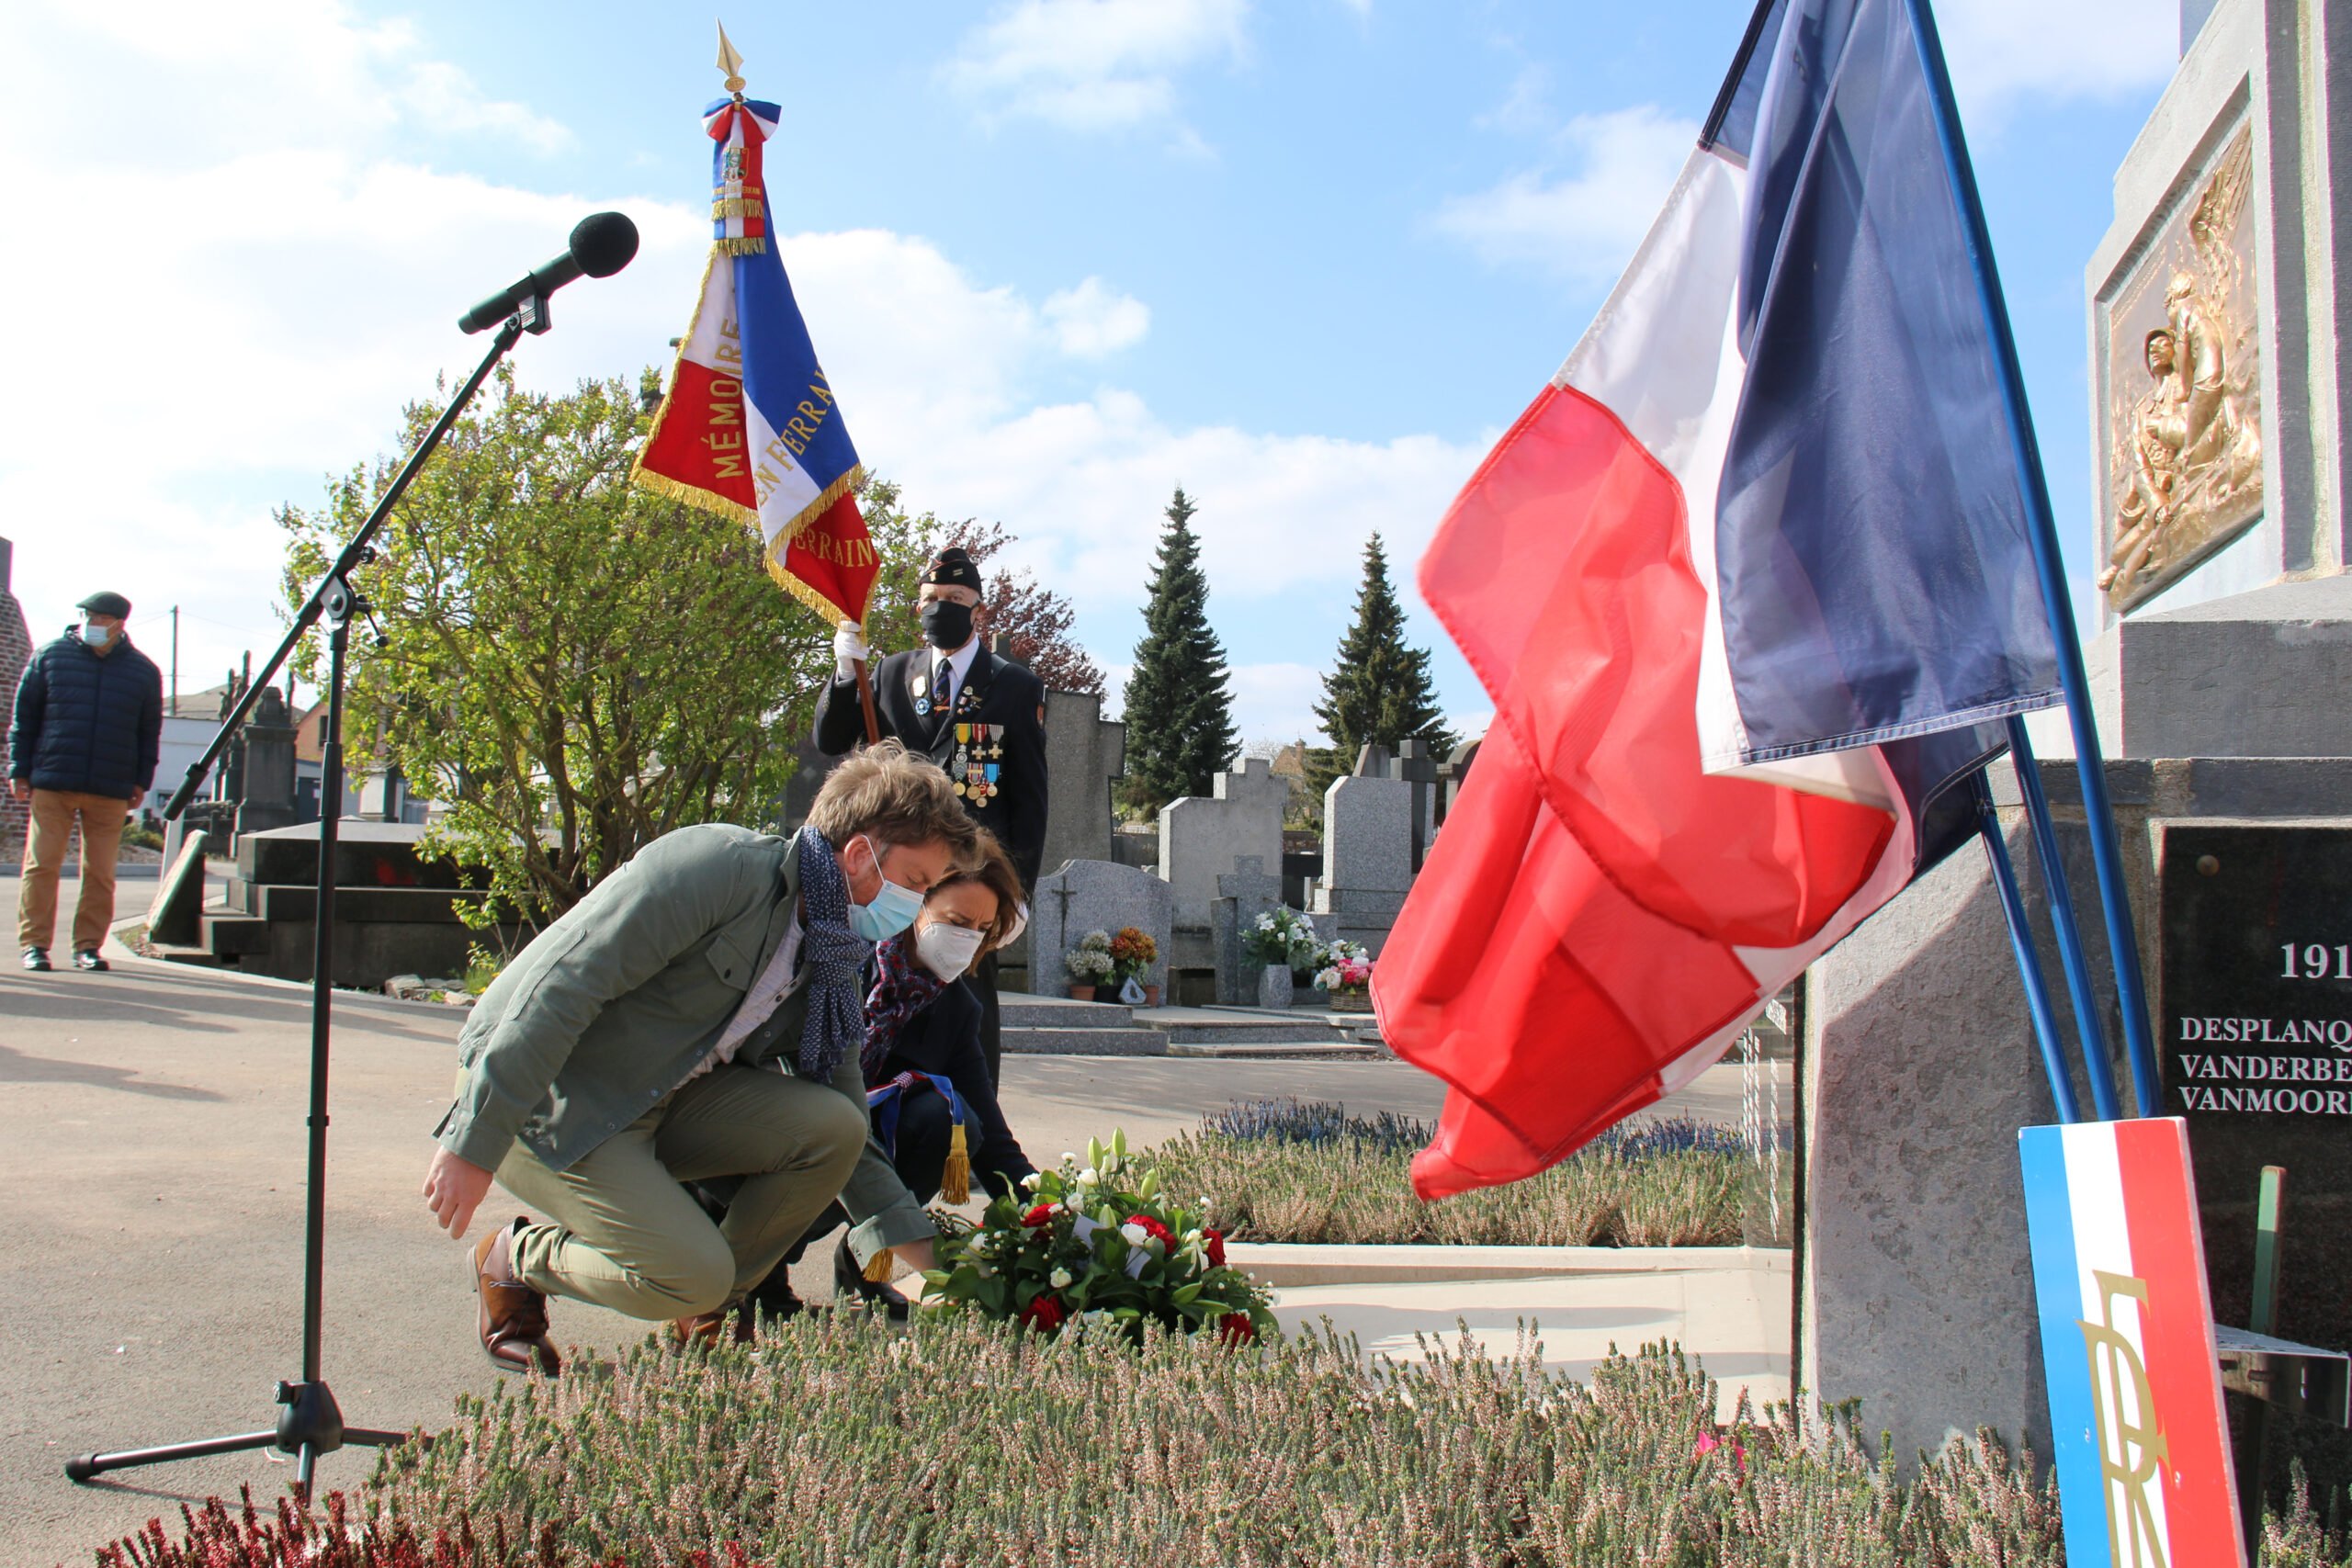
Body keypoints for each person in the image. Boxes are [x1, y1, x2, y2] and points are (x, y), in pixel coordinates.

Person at [420, 740, 980, 1374]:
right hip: (554, 1097)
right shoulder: (718, 870)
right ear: (858, 855)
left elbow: (852, 1121)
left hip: (660, 1102)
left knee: (835, 1128)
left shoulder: (832, 955)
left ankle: (711, 1306)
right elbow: (561, 985)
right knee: (691, 1273)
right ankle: (515, 1259)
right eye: (914, 883)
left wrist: (950, 1272)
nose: (913, 905)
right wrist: (476, 1137)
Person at [736, 835, 1038, 1323]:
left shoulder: (956, 1007)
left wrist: (1052, 1218)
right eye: (957, 922)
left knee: (953, 1123)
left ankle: (867, 1259)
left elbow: (992, 1135)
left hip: (860, 1143)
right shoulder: (844, 956)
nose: (967, 940)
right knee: (832, 1128)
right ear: (917, 902)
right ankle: (759, 1272)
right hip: (779, 1130)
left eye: (982, 931)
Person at [814, 546, 1047, 1087]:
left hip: (968, 884)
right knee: (880, 994)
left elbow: (1029, 801)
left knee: (968, 1011)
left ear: (978, 609)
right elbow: (831, 739)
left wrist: (1017, 895)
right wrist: (847, 675)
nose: (940, 608)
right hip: (894, 875)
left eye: (954, 599)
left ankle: (971, 1135)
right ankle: (877, 1109)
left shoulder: (1013, 687)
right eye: (931, 599)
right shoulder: (895, 674)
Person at [10, 591, 163, 974]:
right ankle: (35, 945)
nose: (89, 622)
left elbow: (149, 732)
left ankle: (88, 947)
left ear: (118, 623)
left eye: (97, 617)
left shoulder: (143, 671)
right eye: (86, 615)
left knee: (99, 872)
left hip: (110, 785)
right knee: (42, 865)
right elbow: (24, 718)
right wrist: (19, 769)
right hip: (52, 780)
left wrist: (142, 779)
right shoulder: (50, 657)